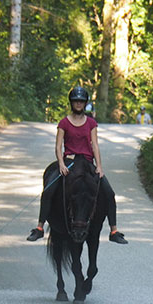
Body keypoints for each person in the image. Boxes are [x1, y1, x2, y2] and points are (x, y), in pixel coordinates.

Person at [27, 86, 127, 244]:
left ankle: (114, 230)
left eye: (81, 101)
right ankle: (39, 228)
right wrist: (61, 164)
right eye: (76, 101)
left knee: (109, 193)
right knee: (48, 190)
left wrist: (99, 166)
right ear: (71, 103)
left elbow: (95, 144)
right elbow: (58, 146)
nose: (78, 104)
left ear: (85, 103)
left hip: (87, 162)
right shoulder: (64, 123)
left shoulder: (91, 123)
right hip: (70, 161)